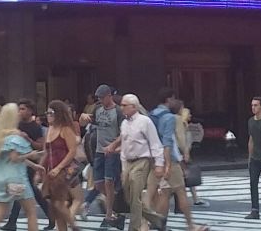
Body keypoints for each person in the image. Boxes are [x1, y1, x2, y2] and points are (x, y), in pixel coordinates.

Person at [103, 93, 163, 231]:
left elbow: (155, 143)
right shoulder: (124, 123)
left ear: (134, 107)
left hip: (141, 160)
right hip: (127, 162)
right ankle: (156, 219)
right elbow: (125, 144)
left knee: (135, 196)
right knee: (128, 196)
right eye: (121, 105)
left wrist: (159, 164)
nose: (121, 108)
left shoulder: (145, 121)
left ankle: (134, 228)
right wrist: (123, 165)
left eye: (124, 105)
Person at [0, 103, 44, 231]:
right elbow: (15, 158)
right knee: (31, 211)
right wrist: (31, 155)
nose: (19, 114)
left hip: (0, 178)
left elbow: (9, 159)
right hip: (17, 179)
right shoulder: (15, 137)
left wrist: (34, 166)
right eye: (17, 111)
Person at [146, 94, 200, 231]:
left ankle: (157, 224)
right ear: (169, 100)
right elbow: (173, 142)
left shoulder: (151, 115)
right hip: (169, 160)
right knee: (181, 192)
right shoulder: (171, 118)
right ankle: (190, 225)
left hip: (154, 158)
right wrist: (180, 159)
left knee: (163, 192)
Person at [82, 85, 123, 230]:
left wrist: (113, 145)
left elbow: (124, 132)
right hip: (99, 150)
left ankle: (109, 213)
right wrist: (84, 117)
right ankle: (117, 206)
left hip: (112, 151)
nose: (99, 100)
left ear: (109, 96)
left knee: (108, 182)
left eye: (101, 97)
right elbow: (84, 122)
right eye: (98, 98)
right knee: (98, 183)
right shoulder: (97, 109)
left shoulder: (118, 111)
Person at [42, 100, 80, 231]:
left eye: (51, 113)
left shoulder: (65, 129)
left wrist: (59, 167)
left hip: (65, 171)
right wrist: (40, 170)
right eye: (47, 112)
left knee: (59, 204)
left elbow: (72, 151)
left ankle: (74, 226)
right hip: (51, 172)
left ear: (58, 114)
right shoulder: (49, 129)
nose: (48, 115)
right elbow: (46, 152)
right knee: (55, 209)